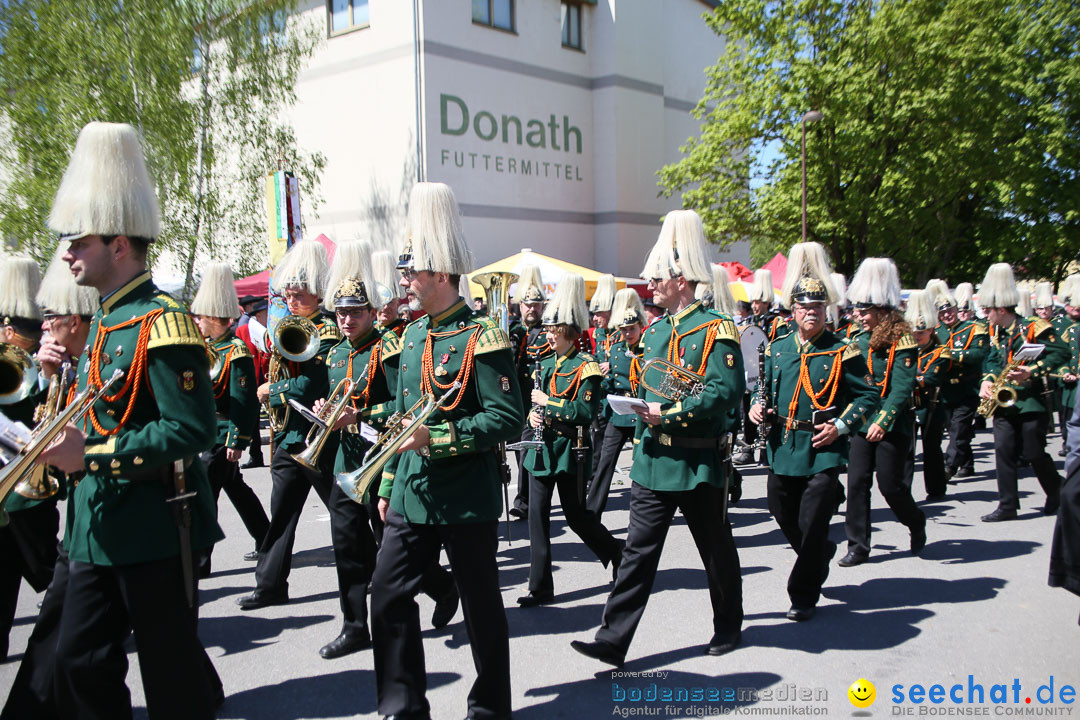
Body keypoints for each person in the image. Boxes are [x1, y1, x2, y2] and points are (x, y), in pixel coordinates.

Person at [38, 121, 223, 719]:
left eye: (79, 241)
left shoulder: (161, 320)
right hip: (94, 530)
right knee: (75, 665)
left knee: (172, 684)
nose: (67, 252)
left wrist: (88, 455)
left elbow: (192, 430)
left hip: (151, 531)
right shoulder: (106, 321)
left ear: (119, 245)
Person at [371, 182, 522, 720]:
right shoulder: (410, 337)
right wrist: (387, 482)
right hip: (410, 491)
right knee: (386, 597)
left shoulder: (483, 335)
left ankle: (489, 707)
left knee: (481, 609)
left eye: (411, 273)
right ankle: (403, 705)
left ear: (439, 274)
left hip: (464, 495)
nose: (404, 282)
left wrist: (437, 439)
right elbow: (399, 420)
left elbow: (507, 417)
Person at [571, 209, 744, 668]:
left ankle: (729, 622)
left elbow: (724, 392)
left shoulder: (716, 327)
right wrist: (637, 406)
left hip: (696, 461)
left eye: (660, 278)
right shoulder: (654, 333)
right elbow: (648, 385)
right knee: (637, 553)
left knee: (715, 549)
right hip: (652, 459)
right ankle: (612, 639)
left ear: (682, 279)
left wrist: (668, 411)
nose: (652, 285)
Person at [749, 243, 877, 621]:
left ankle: (803, 594)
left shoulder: (843, 350)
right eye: (805, 307)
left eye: (818, 307)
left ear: (827, 310)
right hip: (785, 444)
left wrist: (840, 426)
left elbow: (868, 396)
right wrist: (758, 409)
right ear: (793, 310)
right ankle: (819, 552)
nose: (811, 313)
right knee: (781, 511)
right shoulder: (777, 348)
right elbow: (763, 391)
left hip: (823, 448)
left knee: (814, 518)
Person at [1, 247, 99, 719]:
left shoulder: (93, 361)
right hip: (72, 503)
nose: (43, 326)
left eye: (51, 317)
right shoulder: (64, 363)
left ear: (73, 321)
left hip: (105, 501)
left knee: (151, 616)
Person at [237, 239, 342, 610]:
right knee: (281, 514)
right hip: (288, 436)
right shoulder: (291, 326)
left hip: (316, 435)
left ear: (317, 294)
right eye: (289, 296)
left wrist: (274, 390)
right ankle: (269, 585)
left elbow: (315, 383)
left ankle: (376, 566)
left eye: (299, 296)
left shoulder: (327, 330)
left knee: (344, 512)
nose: (292, 301)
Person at [518, 273, 623, 607]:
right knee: (537, 516)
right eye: (547, 330)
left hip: (570, 450)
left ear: (569, 332)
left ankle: (617, 554)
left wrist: (548, 404)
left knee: (577, 517)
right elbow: (537, 403)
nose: (548, 336)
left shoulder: (586, 367)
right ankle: (540, 586)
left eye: (553, 330)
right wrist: (532, 416)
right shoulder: (545, 364)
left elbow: (583, 411)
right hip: (543, 449)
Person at [840, 257, 926, 566]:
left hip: (893, 423)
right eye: (857, 311)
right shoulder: (856, 339)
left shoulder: (902, 339)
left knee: (891, 486)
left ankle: (916, 521)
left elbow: (902, 388)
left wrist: (883, 421)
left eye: (864, 312)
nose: (858, 317)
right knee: (857, 482)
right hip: (863, 422)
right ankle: (858, 546)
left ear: (882, 311)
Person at [190, 262, 268, 575]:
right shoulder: (206, 348)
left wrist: (238, 440)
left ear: (214, 318)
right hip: (207, 432)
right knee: (236, 489)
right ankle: (265, 537)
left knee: (205, 496)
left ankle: (200, 560)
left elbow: (244, 401)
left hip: (223, 434)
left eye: (201, 317)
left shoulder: (236, 350)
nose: (197, 321)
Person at [978, 263, 1069, 522]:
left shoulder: (1034, 326)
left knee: (1033, 452)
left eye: (989, 311)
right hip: (1005, 403)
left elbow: (1061, 353)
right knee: (1003, 450)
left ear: (1002, 309)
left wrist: (1033, 370)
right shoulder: (997, 332)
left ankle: (1057, 490)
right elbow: (993, 360)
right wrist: (987, 381)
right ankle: (1007, 505)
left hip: (1031, 402)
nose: (986, 315)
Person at [0, 257, 52, 664]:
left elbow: (39, 414)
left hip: (26, 481)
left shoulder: (37, 365)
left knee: (49, 567)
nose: (27, 339)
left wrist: (48, 376)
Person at [588, 289, 646, 519]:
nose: (628, 333)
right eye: (624, 330)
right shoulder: (616, 349)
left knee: (642, 465)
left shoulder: (647, 348)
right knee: (605, 462)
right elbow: (611, 382)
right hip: (619, 411)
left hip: (641, 411)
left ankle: (643, 512)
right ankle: (592, 513)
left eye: (632, 329)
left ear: (640, 326)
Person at [507, 263, 547, 520]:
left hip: (538, 397)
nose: (532, 308)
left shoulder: (549, 331)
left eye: (536, 304)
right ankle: (528, 499)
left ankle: (524, 502)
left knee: (527, 451)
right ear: (519, 305)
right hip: (517, 398)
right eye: (527, 304)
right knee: (520, 451)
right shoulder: (513, 330)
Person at [934, 293, 989, 480]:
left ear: (957, 310)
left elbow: (979, 353)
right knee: (955, 429)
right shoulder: (936, 332)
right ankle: (967, 463)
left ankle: (949, 467)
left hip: (967, 388)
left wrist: (952, 354)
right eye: (943, 312)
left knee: (958, 429)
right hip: (946, 390)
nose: (947, 315)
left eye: (950, 310)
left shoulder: (973, 328)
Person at [903, 290, 953, 500]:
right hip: (908, 403)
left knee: (932, 448)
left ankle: (936, 489)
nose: (916, 336)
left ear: (931, 330)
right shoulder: (906, 349)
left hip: (930, 403)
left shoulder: (941, 351)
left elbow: (932, 378)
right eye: (914, 332)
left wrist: (910, 379)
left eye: (921, 333)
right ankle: (903, 492)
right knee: (906, 450)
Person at [236, 298, 269, 471]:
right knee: (254, 422)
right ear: (257, 315)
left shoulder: (272, 329)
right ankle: (255, 455)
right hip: (253, 379)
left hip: (269, 378)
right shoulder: (243, 330)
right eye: (265, 313)